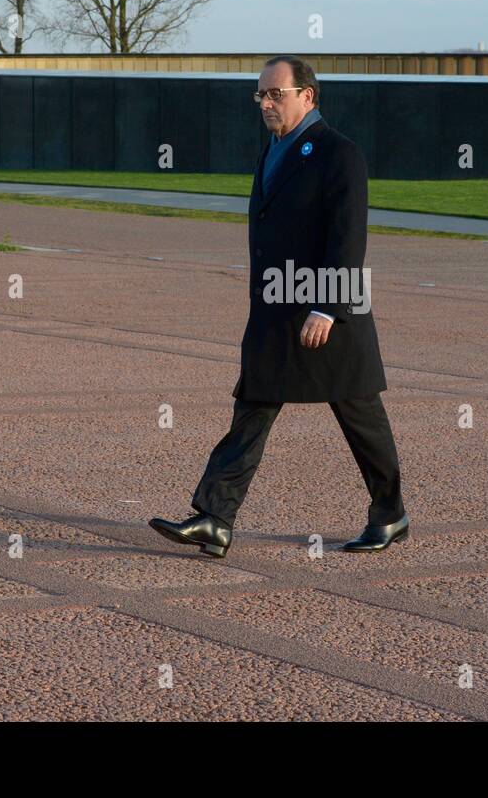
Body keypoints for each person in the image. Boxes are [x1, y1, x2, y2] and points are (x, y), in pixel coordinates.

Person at [149, 55, 408, 557]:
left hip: (327, 312)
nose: (266, 104)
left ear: (307, 97)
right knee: (252, 408)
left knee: (360, 417)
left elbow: (347, 238)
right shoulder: (273, 149)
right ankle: (215, 517)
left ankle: (391, 514)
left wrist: (327, 307)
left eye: (276, 94)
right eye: (260, 95)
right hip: (275, 308)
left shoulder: (339, 153)